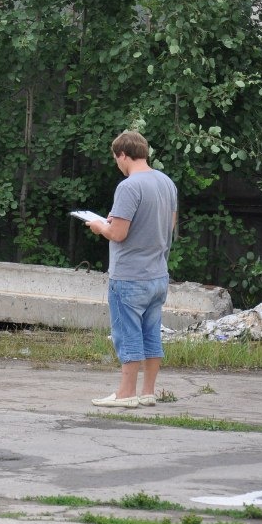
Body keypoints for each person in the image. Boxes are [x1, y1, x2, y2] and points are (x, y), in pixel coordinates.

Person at [85, 130, 179, 408]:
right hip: (158, 274)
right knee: (151, 333)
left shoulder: (128, 186)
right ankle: (148, 391)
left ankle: (126, 394)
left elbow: (119, 234)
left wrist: (100, 225)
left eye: (116, 158)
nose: (117, 163)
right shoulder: (166, 182)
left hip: (129, 276)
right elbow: (168, 226)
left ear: (123, 155)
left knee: (127, 334)